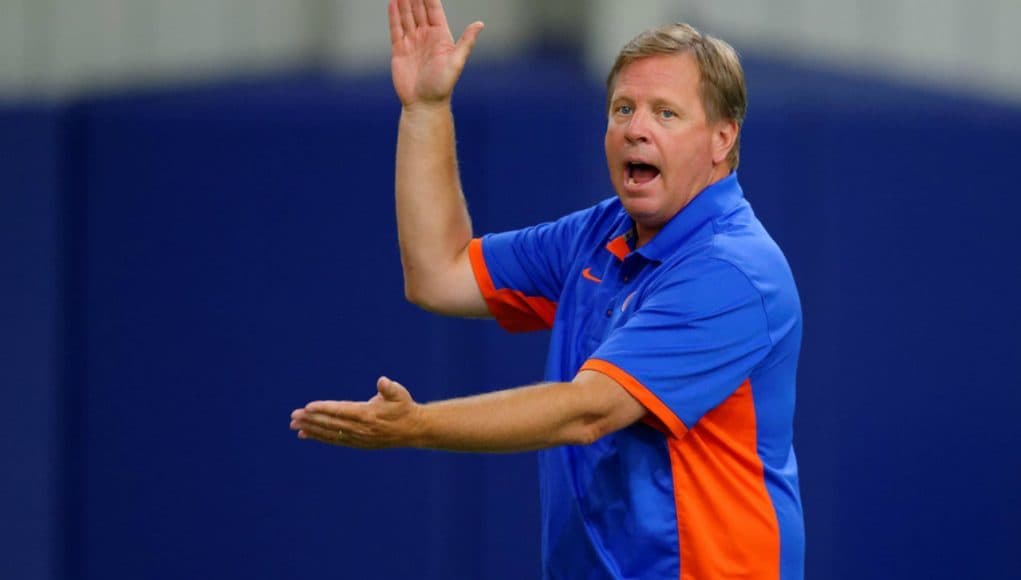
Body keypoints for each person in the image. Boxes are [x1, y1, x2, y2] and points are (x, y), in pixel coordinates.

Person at [290, 0, 804, 577]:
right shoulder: (600, 234)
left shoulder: (733, 271)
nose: (635, 128)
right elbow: (439, 273)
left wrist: (416, 426)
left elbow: (589, 411)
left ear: (721, 139)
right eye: (623, 108)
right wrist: (426, 108)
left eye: (666, 113)